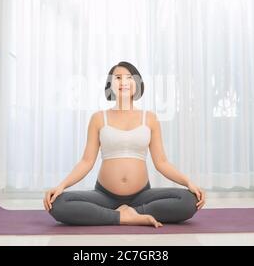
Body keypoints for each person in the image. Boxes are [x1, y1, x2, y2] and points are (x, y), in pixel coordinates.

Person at [44, 61, 206, 227]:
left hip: (142, 196)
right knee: (58, 204)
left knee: (188, 200)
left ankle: (132, 213)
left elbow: (162, 163)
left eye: (129, 78)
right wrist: (61, 186)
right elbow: (86, 161)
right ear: (110, 84)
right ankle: (124, 217)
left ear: (137, 84)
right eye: (118, 78)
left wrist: (188, 183)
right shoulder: (99, 118)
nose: (123, 82)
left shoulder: (149, 118)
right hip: (104, 196)